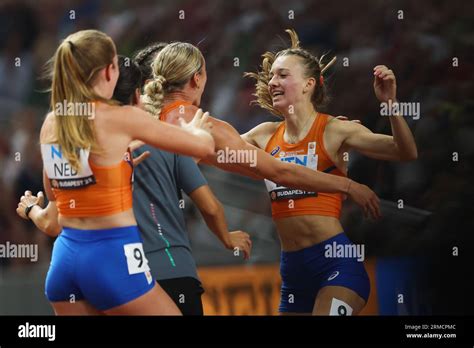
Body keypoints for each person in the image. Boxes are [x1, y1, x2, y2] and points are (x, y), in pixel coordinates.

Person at [18, 56, 252, 315]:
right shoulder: (130, 122)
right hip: (121, 263)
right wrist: (194, 133)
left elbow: (51, 221)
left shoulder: (59, 127)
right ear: (136, 95)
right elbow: (204, 150)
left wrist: (30, 210)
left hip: (65, 263)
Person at [241, 29, 418, 315]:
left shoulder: (335, 130)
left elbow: (405, 151)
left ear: (309, 84)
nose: (272, 82)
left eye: (282, 75)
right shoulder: (262, 136)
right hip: (293, 273)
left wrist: (390, 104)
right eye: (271, 76)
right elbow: (214, 150)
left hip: (336, 263)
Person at [138, 41, 381, 220]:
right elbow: (276, 170)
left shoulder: (140, 115)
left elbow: (247, 162)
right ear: (197, 79)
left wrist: (319, 136)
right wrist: (349, 185)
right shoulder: (203, 124)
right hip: (162, 240)